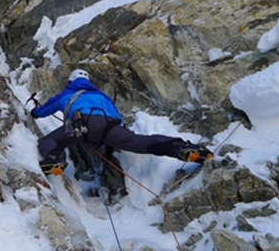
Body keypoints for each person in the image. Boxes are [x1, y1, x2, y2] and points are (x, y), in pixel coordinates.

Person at [30, 69, 213, 175]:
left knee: (49, 141)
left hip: (79, 125)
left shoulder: (66, 94)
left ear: (70, 81)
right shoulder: (101, 96)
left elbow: (45, 110)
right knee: (140, 142)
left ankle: (55, 158)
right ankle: (178, 146)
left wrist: (35, 112)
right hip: (108, 126)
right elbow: (117, 115)